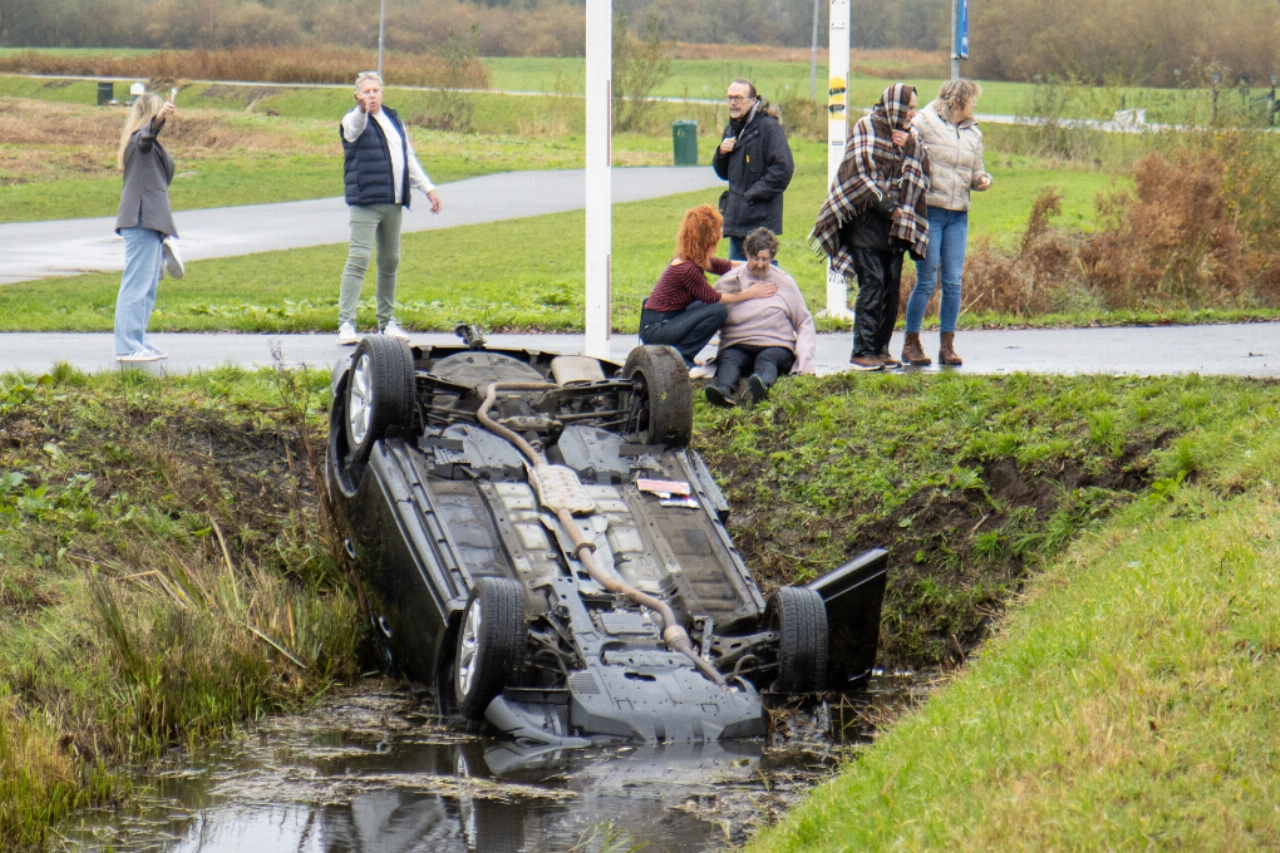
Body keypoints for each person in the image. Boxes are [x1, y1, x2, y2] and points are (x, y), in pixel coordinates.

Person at [811, 83, 930, 371]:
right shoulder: (866, 127)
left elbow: (924, 170)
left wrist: (908, 146)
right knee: (873, 285)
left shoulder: (910, 137)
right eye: (909, 107)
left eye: (914, 107)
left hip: (896, 228)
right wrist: (888, 206)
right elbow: (859, 175)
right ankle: (862, 351)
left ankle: (881, 349)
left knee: (891, 289)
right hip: (867, 224)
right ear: (895, 106)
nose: (913, 114)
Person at [337, 70, 443, 345]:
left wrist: (428, 189)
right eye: (367, 91)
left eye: (376, 91)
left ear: (382, 93)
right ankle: (346, 324)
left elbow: (408, 158)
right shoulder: (353, 118)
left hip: (393, 201)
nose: (372, 95)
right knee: (359, 258)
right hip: (366, 201)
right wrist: (362, 110)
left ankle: (387, 322)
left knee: (390, 260)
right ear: (358, 95)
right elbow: (355, 129)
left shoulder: (393, 119)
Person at [901, 79, 993, 367]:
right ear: (959, 100)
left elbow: (976, 168)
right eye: (972, 99)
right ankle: (911, 342)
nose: (975, 105)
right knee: (927, 279)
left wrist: (982, 179)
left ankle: (947, 346)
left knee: (953, 281)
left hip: (958, 215)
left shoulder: (973, 134)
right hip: (931, 212)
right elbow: (906, 146)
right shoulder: (926, 121)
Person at [638, 204, 777, 375]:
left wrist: (757, 264)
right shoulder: (686, 268)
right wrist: (750, 293)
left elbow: (724, 266)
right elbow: (714, 298)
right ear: (706, 238)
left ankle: (683, 356)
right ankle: (681, 357)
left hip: (666, 320)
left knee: (705, 307)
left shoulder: (692, 257)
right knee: (717, 311)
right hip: (657, 328)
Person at [705, 227, 816, 407]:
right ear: (746, 254)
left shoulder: (785, 282)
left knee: (767, 358)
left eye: (765, 259)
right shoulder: (729, 280)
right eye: (755, 258)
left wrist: (805, 358)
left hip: (775, 344)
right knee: (730, 359)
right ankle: (724, 391)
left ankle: (762, 386)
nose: (759, 264)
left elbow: (804, 321)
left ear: (772, 257)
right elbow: (710, 313)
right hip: (738, 342)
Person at [114, 91, 181, 363]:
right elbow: (146, 137)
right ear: (150, 115)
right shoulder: (139, 140)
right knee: (136, 285)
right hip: (140, 219)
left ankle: (138, 340)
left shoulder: (148, 145)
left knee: (148, 286)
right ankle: (127, 346)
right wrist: (158, 121)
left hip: (152, 221)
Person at [712, 78, 794, 261]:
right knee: (738, 278)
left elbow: (784, 168)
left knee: (764, 274)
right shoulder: (731, 130)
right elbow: (724, 174)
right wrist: (721, 154)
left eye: (738, 98)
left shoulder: (768, 127)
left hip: (760, 220)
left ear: (753, 101)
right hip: (737, 219)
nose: (733, 103)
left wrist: (752, 195)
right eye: (730, 98)